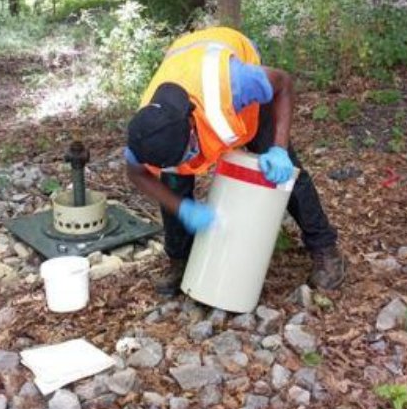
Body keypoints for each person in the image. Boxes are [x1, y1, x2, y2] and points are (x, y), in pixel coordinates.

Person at [124, 26, 346, 296]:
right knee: (173, 184)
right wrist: (182, 207)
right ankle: (180, 261)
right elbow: (135, 173)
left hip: (229, 66)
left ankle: (325, 248)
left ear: (191, 124)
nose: (192, 160)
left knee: (283, 173)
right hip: (183, 66)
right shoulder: (146, 133)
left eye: (190, 151)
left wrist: (278, 148)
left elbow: (283, 83)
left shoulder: (235, 83)